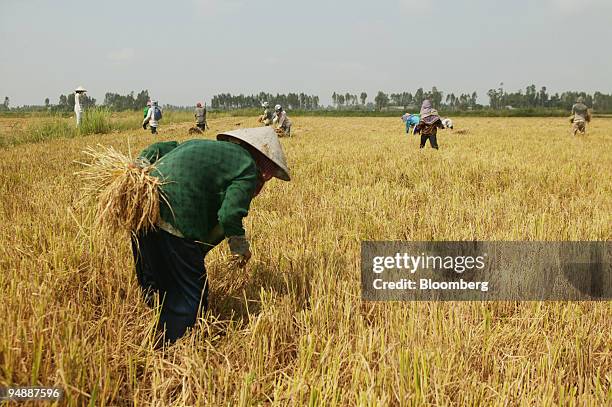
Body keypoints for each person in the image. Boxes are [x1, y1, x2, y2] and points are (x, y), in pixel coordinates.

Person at [132, 126, 291, 343]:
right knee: (191, 293)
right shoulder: (247, 168)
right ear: (264, 168)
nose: (267, 176)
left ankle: (159, 323)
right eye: (269, 171)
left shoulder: (205, 147)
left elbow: (160, 147)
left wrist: (137, 169)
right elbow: (229, 214)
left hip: (141, 209)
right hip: (176, 218)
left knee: (159, 281)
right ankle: (170, 350)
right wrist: (239, 247)